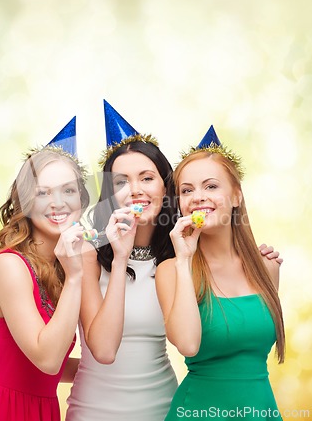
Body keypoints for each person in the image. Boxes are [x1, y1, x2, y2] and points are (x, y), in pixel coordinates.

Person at [66, 103, 281, 421]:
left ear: (165, 190)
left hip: (162, 405)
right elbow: (103, 350)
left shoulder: (179, 255)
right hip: (96, 411)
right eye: (121, 182)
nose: (135, 190)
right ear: (109, 195)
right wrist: (121, 252)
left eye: (146, 178)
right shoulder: (90, 252)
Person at [0, 118, 97, 421]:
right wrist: (76, 276)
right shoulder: (9, 266)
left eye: (68, 191)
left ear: (81, 199)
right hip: (3, 412)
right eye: (43, 193)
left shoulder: (60, 266)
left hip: (43, 411)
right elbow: (47, 359)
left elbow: (48, 366)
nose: (58, 203)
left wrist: (116, 372)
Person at [156, 125, 285, 421]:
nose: (198, 197)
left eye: (211, 186)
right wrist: (183, 260)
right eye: (186, 190)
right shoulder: (171, 271)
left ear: (236, 195)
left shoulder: (267, 267)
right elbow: (187, 345)